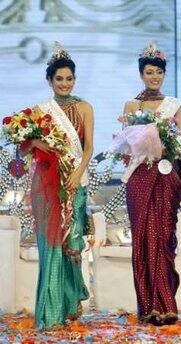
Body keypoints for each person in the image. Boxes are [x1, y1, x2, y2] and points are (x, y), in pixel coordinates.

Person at [20, 42, 94, 328]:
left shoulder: (85, 107)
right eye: (59, 79)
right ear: (49, 81)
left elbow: (88, 148)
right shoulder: (40, 111)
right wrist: (34, 141)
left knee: (70, 245)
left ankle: (67, 304)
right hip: (47, 187)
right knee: (50, 245)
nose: (64, 83)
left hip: (75, 183)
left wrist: (77, 173)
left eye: (69, 78)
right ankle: (49, 314)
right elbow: (24, 148)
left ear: (74, 80)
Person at [119, 43, 181, 325]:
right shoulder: (131, 106)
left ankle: (166, 303)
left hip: (165, 175)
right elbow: (124, 147)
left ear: (163, 74)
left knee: (162, 237)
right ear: (141, 74)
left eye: (159, 72)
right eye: (149, 72)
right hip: (139, 177)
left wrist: (167, 141)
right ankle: (148, 306)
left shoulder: (174, 104)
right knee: (143, 239)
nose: (154, 77)